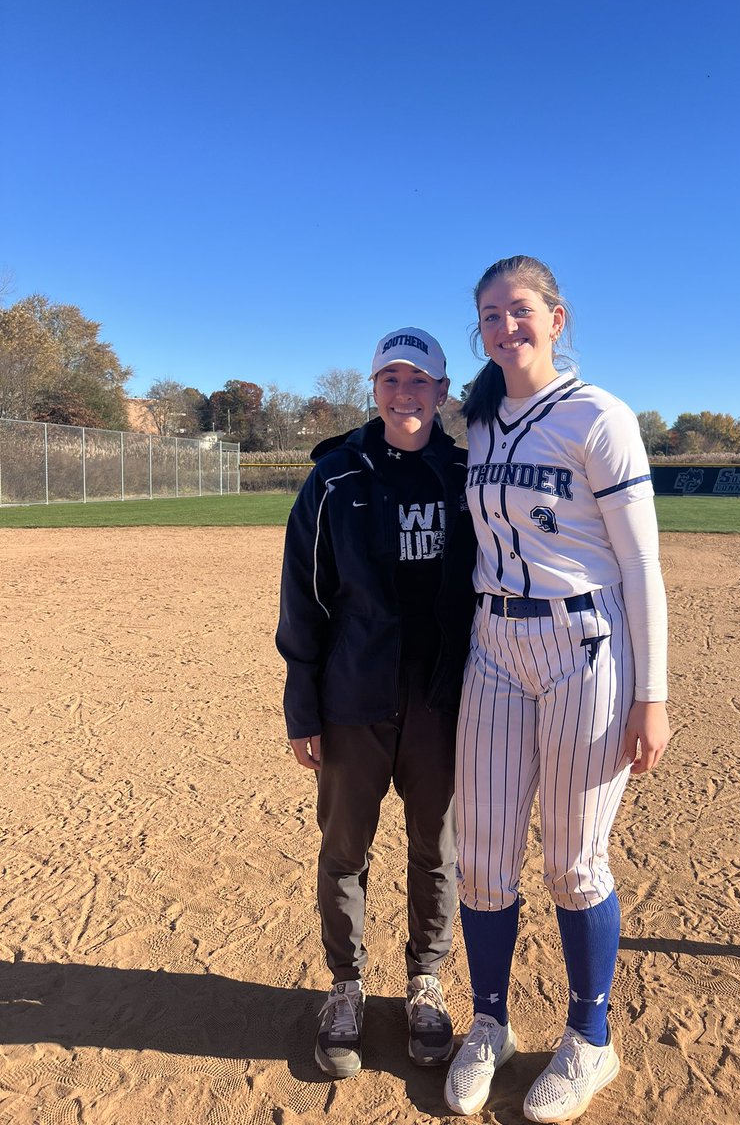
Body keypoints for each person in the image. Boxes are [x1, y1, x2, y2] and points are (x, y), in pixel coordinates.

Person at [443, 257, 670, 1123]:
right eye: (491, 316)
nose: (507, 327)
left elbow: (643, 563)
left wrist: (653, 693)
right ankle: (490, 1022)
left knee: (573, 863)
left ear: (557, 318)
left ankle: (590, 1040)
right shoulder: (481, 421)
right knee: (485, 857)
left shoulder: (598, 416)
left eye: (521, 310)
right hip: (494, 642)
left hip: (586, 641)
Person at [276, 328, 476, 1079]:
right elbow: (305, 602)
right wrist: (303, 710)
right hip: (352, 703)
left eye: (419, 381)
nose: (404, 394)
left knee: (437, 850)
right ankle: (347, 986)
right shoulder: (332, 478)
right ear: (374, 391)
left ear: (442, 393)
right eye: (390, 380)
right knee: (345, 853)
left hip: (441, 704)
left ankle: (425, 983)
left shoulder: (466, 476)